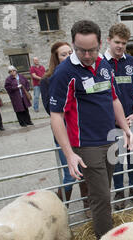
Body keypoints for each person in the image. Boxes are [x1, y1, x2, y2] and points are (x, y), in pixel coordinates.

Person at [49, 20, 133, 239]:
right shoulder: (64, 72)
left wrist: (125, 129)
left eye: (92, 50)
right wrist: (69, 153)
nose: (87, 55)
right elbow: (56, 115)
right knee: (101, 198)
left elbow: (114, 99)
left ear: (99, 43)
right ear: (73, 44)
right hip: (86, 144)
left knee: (104, 191)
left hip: (109, 138)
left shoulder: (104, 65)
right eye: (81, 50)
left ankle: (105, 233)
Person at [40, 41, 90, 216]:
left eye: (70, 53)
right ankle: (60, 211)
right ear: (56, 58)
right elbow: (50, 109)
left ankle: (88, 206)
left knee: (85, 170)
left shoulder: (80, 75)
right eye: (63, 54)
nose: (68, 57)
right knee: (70, 174)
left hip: (82, 132)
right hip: (64, 134)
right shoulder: (47, 80)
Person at [103, 23, 133, 210]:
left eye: (124, 43)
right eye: (117, 42)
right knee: (117, 159)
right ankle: (119, 192)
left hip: (131, 120)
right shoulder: (101, 64)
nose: (120, 46)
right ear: (109, 40)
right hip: (111, 123)